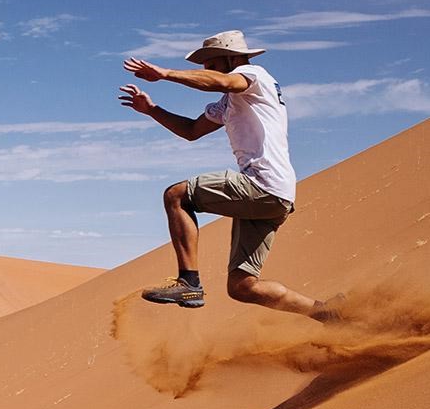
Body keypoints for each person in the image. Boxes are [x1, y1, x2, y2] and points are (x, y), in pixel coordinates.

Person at [118, 30, 340, 321]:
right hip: (275, 196)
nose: (205, 70)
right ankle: (326, 313)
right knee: (243, 287)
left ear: (232, 58)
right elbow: (191, 131)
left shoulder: (252, 75)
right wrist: (152, 110)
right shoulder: (229, 102)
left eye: (210, 63)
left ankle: (189, 283)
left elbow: (222, 81)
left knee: (176, 195)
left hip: (261, 184)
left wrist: (165, 74)